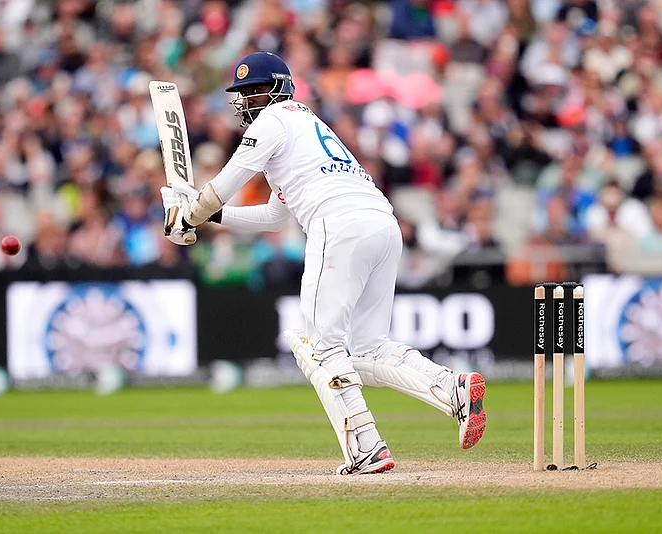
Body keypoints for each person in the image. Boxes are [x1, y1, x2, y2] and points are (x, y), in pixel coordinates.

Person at [160, 52, 487, 475]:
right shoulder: (305, 125)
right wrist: (206, 216)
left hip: (340, 226)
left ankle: (366, 448)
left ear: (278, 88)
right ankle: (452, 388)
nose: (247, 101)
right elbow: (273, 217)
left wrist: (188, 214)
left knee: (318, 347)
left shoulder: (272, 123)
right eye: (243, 94)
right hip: (382, 225)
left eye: (255, 91)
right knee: (368, 346)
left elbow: (222, 187)